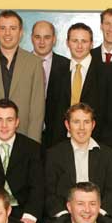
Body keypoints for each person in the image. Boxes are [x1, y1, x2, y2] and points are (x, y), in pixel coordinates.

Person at [0, 10, 45, 142]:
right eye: (2, 28)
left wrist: (32, 146)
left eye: (13, 28)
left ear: (21, 32)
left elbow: (37, 111)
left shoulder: (34, 63)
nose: (7, 33)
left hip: (24, 140)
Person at [48, 23, 112, 148]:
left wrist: (104, 148)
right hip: (62, 145)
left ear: (92, 44)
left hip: (96, 145)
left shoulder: (107, 72)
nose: (79, 46)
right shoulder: (58, 71)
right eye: (75, 41)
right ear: (67, 43)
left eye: (84, 41)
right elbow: (51, 112)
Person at [45, 103, 112, 218]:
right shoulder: (54, 154)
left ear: (93, 125)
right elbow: (49, 193)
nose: (82, 127)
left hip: (98, 215)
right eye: (76, 122)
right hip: (65, 216)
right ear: (67, 125)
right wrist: (64, 216)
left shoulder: (107, 154)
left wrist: (99, 214)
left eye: (86, 122)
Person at [31, 20, 71, 150]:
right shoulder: (20, 64)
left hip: (57, 137)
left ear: (54, 39)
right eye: (38, 37)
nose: (42, 42)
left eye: (47, 37)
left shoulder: (67, 66)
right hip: (26, 134)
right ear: (32, 38)